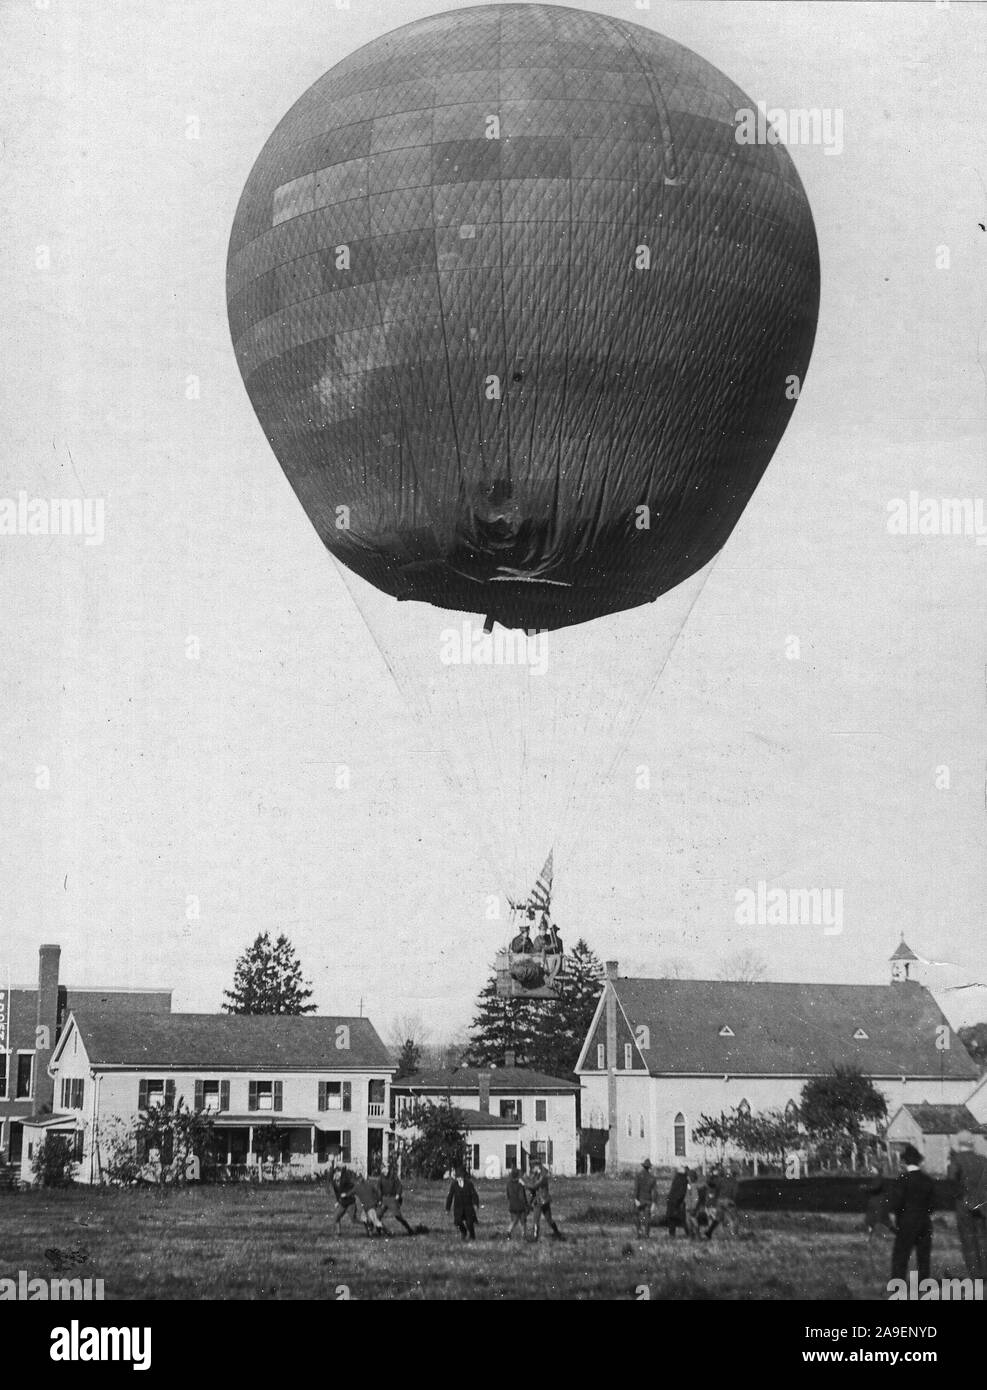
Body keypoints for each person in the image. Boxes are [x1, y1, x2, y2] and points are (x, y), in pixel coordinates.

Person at [889, 1145, 936, 1283]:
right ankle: (924, 1285)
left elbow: (897, 1203)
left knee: (901, 1255)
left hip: (906, 1222)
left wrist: (895, 1218)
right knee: (924, 1256)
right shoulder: (928, 1180)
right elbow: (932, 1205)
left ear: (904, 1161)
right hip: (924, 1221)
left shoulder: (902, 1179)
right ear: (919, 1161)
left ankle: (898, 1286)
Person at [947, 1132, 987, 1279]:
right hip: (981, 1205)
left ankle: (976, 1274)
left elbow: (951, 1183)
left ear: (959, 1143)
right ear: (972, 1143)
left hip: (963, 1205)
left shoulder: (956, 1160)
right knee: (983, 1238)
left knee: (968, 1239)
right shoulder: (983, 1160)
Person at [524, 1161, 565, 1240]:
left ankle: (535, 1237)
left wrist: (525, 1183)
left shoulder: (542, 1176)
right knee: (549, 1219)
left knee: (536, 1219)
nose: (532, 1169)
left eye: (533, 1167)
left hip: (539, 1200)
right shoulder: (538, 1175)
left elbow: (534, 1186)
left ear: (537, 1166)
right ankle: (557, 1233)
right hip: (545, 1200)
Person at [377, 1162, 415, 1236]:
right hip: (384, 1198)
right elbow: (378, 1188)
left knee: (398, 1216)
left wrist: (398, 1194)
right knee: (378, 1216)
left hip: (392, 1198)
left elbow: (399, 1186)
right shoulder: (381, 1177)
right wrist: (379, 1199)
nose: (385, 1171)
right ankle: (379, 1232)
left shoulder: (394, 1176)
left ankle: (409, 1229)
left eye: (386, 1169)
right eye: (383, 1169)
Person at [446, 1167, 480, 1241]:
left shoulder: (469, 1184)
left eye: (461, 1177)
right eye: (458, 1177)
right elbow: (450, 1196)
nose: (459, 1179)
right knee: (458, 1222)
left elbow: (474, 1194)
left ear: (463, 1176)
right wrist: (447, 1208)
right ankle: (463, 1232)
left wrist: (476, 1204)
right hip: (458, 1208)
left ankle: (472, 1236)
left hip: (468, 1208)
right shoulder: (454, 1185)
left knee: (469, 1223)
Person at [328, 1161, 359, 1233]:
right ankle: (338, 1233)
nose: (337, 1174)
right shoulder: (334, 1183)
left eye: (339, 1173)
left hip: (350, 1202)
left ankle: (367, 1223)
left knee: (353, 1220)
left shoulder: (345, 1180)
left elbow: (354, 1188)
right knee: (336, 1217)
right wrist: (337, 1202)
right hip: (343, 1203)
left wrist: (347, 1194)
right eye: (335, 1173)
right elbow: (337, 1194)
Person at [352, 1172, 386, 1236]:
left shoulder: (369, 1185)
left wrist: (378, 1200)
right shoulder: (359, 1187)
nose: (359, 1180)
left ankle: (387, 1232)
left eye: (360, 1178)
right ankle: (369, 1232)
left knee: (374, 1220)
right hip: (366, 1206)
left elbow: (377, 1192)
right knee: (364, 1218)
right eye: (358, 1179)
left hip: (371, 1206)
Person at [633, 1158, 657, 1238]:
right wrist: (654, 1202)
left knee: (636, 1216)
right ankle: (646, 1234)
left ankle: (639, 1232)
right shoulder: (652, 1178)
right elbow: (654, 1192)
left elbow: (636, 1188)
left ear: (643, 1166)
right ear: (649, 1167)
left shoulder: (638, 1176)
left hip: (639, 1199)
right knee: (647, 1218)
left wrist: (636, 1199)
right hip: (648, 1200)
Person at [506, 1165, 530, 1241]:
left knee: (514, 1221)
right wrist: (526, 1204)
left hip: (512, 1205)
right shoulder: (520, 1185)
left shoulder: (508, 1184)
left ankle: (509, 1232)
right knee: (523, 1221)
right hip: (520, 1205)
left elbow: (508, 1195)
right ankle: (523, 1235)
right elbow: (522, 1196)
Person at [666, 1165, 689, 1237]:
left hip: (672, 1200)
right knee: (684, 1219)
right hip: (678, 1201)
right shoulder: (684, 1179)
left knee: (671, 1218)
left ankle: (672, 1234)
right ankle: (689, 1233)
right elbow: (682, 1192)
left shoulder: (676, 1178)